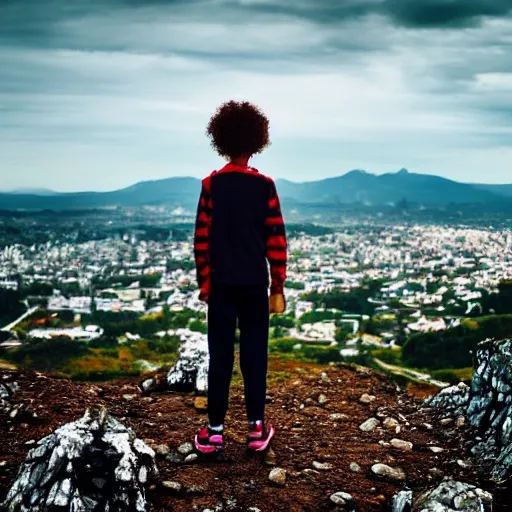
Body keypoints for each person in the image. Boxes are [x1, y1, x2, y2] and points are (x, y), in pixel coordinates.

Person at [193, 100, 287, 455]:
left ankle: (214, 431)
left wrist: (205, 283)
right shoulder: (265, 186)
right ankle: (256, 429)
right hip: (253, 283)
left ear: (221, 140)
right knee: (254, 355)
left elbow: (201, 239)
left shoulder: (210, 185)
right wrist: (277, 284)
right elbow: (276, 239)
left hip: (220, 284)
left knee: (219, 356)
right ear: (255, 143)